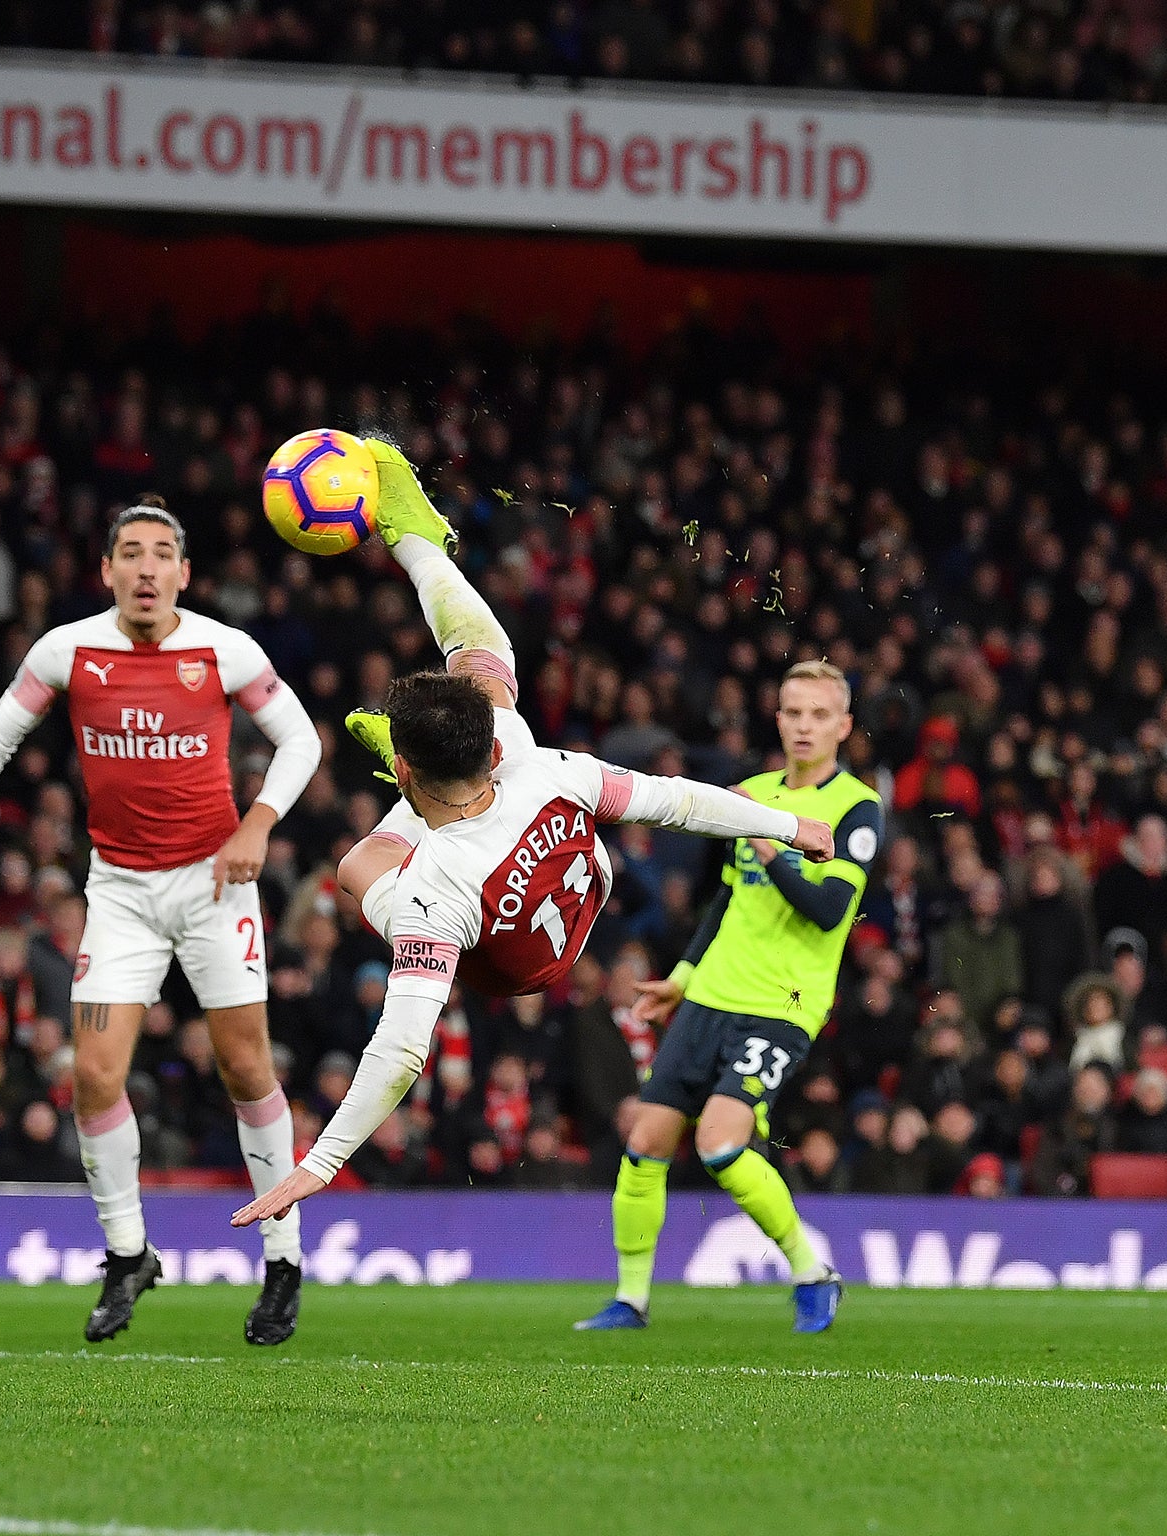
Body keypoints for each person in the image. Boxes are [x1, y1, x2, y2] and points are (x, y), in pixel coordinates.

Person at [231, 441, 834, 1255]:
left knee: (353, 868)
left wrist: (321, 1162)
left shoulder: (432, 892)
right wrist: (787, 823)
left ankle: (418, 779)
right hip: (584, 885)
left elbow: (404, 1047)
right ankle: (416, 540)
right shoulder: (547, 766)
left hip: (518, 966)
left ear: (403, 773)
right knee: (488, 669)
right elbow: (676, 801)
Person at [0, 494, 323, 1346]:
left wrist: (259, 822)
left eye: (163, 553)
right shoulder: (67, 649)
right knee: (93, 1076)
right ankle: (128, 1255)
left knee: (244, 1068)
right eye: (131, 552)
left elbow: (301, 739)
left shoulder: (223, 649)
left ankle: (283, 1258)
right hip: (120, 892)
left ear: (186, 574)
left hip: (213, 887)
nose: (148, 567)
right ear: (107, 571)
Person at [570, 656, 879, 1333]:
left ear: (844, 726)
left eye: (820, 715)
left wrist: (771, 840)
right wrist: (681, 980)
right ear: (777, 718)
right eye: (794, 713)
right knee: (646, 1138)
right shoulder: (748, 792)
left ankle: (812, 1271)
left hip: (783, 1002)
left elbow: (829, 910)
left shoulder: (856, 808)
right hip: (711, 994)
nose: (804, 726)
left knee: (717, 1144)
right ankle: (630, 1298)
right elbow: (726, 903)